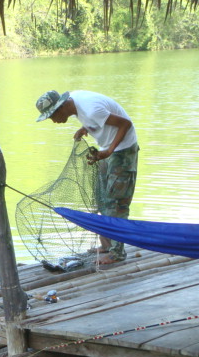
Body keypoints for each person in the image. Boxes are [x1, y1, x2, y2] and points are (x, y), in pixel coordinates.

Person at [35, 90, 139, 264]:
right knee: (101, 199)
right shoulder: (75, 103)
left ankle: (117, 253)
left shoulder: (91, 108)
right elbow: (99, 121)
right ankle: (106, 246)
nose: (53, 121)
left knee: (116, 202)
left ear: (61, 107)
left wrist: (110, 150)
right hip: (107, 149)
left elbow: (125, 124)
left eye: (52, 116)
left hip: (123, 151)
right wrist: (85, 128)